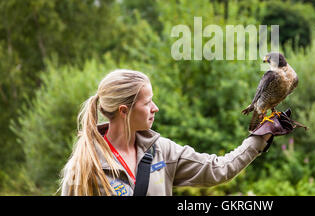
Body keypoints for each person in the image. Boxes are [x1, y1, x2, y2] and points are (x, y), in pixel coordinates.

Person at [60, 69, 294, 196]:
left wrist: (259, 138)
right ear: (124, 111)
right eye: (148, 103)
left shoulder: (162, 151)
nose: (155, 108)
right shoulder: (85, 166)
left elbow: (218, 170)